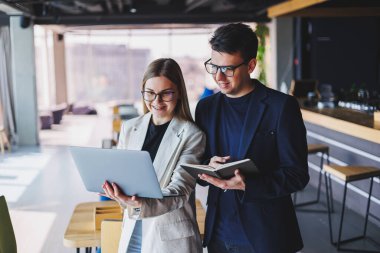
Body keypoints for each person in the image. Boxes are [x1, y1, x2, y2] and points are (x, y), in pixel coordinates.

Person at [195, 23, 309, 253]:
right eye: (214, 66)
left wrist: (249, 184)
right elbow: (199, 166)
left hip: (266, 234)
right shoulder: (206, 108)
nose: (219, 76)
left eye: (228, 69)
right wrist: (206, 167)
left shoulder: (281, 107)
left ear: (251, 65)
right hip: (219, 231)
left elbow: (297, 175)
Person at [100, 58, 205, 253]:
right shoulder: (130, 128)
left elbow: (180, 190)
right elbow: (122, 174)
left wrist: (141, 202)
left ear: (179, 92)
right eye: (150, 93)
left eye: (166, 93)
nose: (156, 101)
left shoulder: (192, 134)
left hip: (169, 238)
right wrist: (114, 190)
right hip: (132, 228)